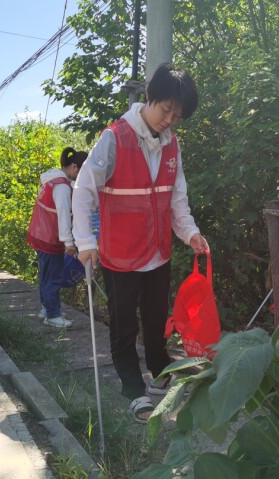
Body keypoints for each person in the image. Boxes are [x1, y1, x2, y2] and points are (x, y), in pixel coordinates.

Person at [72, 63, 209, 424]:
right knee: (123, 323)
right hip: (120, 253)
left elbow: (177, 196)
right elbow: (84, 189)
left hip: (157, 251)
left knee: (154, 318)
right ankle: (133, 388)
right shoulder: (115, 138)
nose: (170, 120)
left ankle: (160, 372)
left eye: (177, 116)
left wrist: (190, 233)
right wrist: (84, 241)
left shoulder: (172, 144)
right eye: (167, 110)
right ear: (151, 97)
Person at [27, 147, 88, 328]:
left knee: (45, 276)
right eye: (83, 174)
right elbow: (62, 215)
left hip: (42, 235)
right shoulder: (62, 187)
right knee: (53, 277)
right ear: (75, 168)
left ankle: (47, 308)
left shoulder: (52, 179)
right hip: (51, 238)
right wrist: (69, 242)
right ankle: (53, 315)